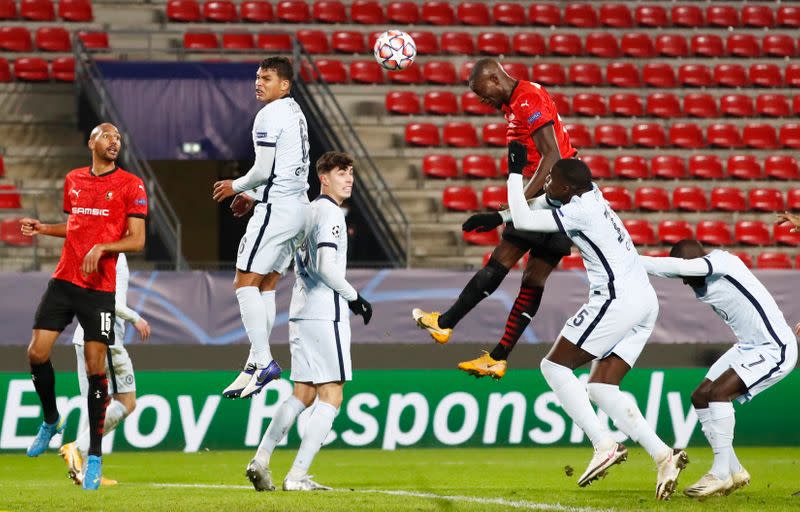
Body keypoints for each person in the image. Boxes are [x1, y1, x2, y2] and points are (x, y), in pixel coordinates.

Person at [505, 155, 686, 500]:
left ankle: (603, 444)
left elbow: (525, 218)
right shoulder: (591, 196)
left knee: (554, 365)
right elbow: (543, 201)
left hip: (617, 299)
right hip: (644, 299)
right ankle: (665, 455)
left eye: (551, 180)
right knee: (601, 388)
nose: (546, 184)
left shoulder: (581, 211)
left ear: (568, 187)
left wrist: (514, 173)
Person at [412, 58, 576, 379]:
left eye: (480, 92)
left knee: (501, 262)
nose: (480, 99)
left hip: (550, 198)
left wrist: (510, 210)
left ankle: (445, 324)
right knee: (532, 280)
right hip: (560, 199)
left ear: (494, 78)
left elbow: (552, 157)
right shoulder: (516, 102)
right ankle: (496, 355)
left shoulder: (527, 99)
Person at [19, 122, 147, 491]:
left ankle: (93, 459)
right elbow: (76, 225)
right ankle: (51, 420)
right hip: (65, 280)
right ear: (91, 142)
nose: (114, 142)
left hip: (99, 289)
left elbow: (136, 240)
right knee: (36, 353)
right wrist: (43, 228)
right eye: (107, 136)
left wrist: (103, 248)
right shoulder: (73, 178)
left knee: (95, 371)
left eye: (119, 138)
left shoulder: (131, 184)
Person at [245, 151, 372, 492]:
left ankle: (261, 458)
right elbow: (327, 266)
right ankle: (298, 475)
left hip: (300, 311)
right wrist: (355, 298)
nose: (349, 179)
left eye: (350, 173)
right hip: (324, 313)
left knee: (302, 393)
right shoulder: (330, 213)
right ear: (324, 178)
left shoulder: (307, 212)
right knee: (332, 395)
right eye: (341, 172)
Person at [640, 240, 798, 498]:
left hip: (774, 347)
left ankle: (720, 473)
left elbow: (672, 266)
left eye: (684, 275)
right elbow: (674, 269)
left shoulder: (722, 263)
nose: (683, 282)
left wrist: (629, 259)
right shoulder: (702, 274)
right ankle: (734, 471)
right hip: (749, 346)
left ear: (692, 263)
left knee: (719, 394)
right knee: (700, 396)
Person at [212, 56, 311, 399]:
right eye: (257, 77)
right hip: (299, 207)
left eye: (266, 78)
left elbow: (262, 169)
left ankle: (264, 361)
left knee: (243, 283)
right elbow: (285, 168)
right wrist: (254, 194)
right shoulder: (296, 112)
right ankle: (255, 363)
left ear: (284, 85)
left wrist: (236, 187)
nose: (259, 83)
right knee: (266, 284)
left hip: (278, 209)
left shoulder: (269, 115)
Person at [59, 252, 151, 486]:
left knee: (91, 405)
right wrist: (135, 318)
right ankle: (77, 448)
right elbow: (110, 301)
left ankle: (85, 472)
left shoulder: (90, 253)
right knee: (127, 402)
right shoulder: (114, 256)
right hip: (105, 337)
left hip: (83, 336)